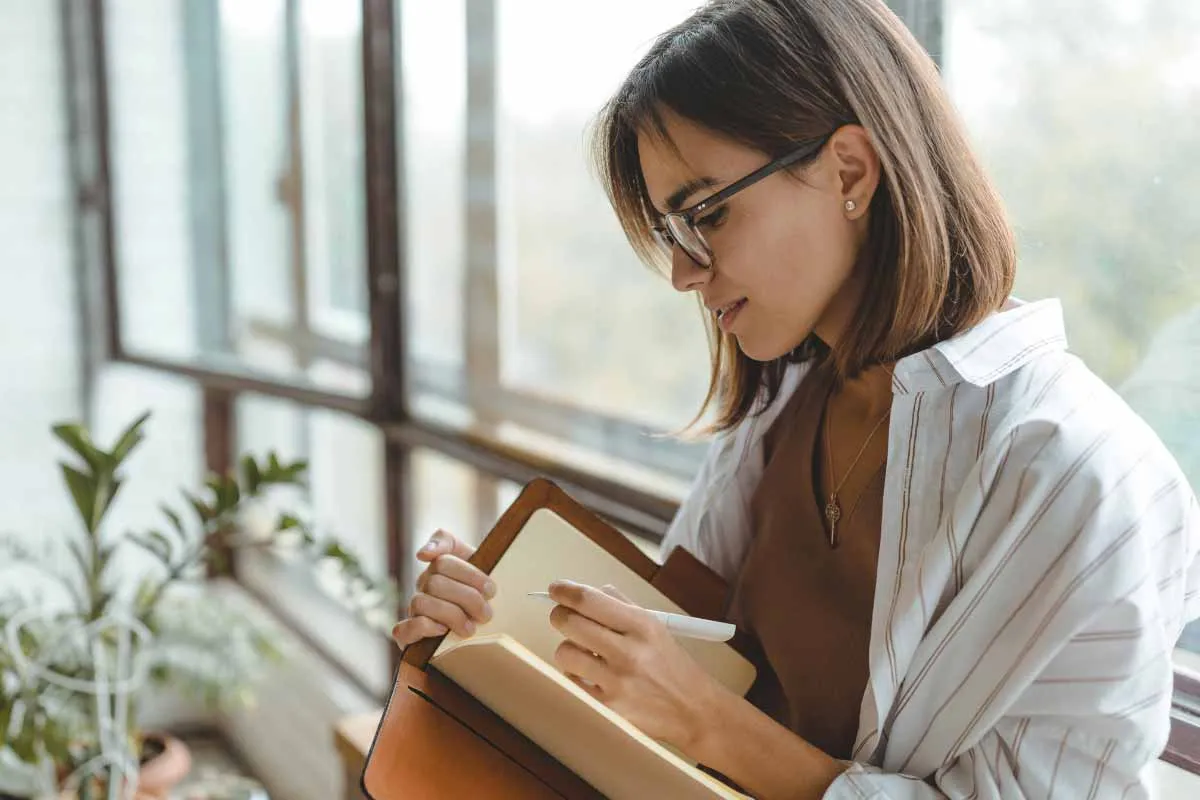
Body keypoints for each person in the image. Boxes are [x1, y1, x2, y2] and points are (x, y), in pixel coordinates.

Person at [390, 0, 1200, 796]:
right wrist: (491, 625)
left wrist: (710, 725)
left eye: (705, 214)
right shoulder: (783, 405)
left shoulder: (1084, 476)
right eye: (674, 231)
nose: (682, 271)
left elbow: (693, 704)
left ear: (848, 170)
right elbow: (670, 657)